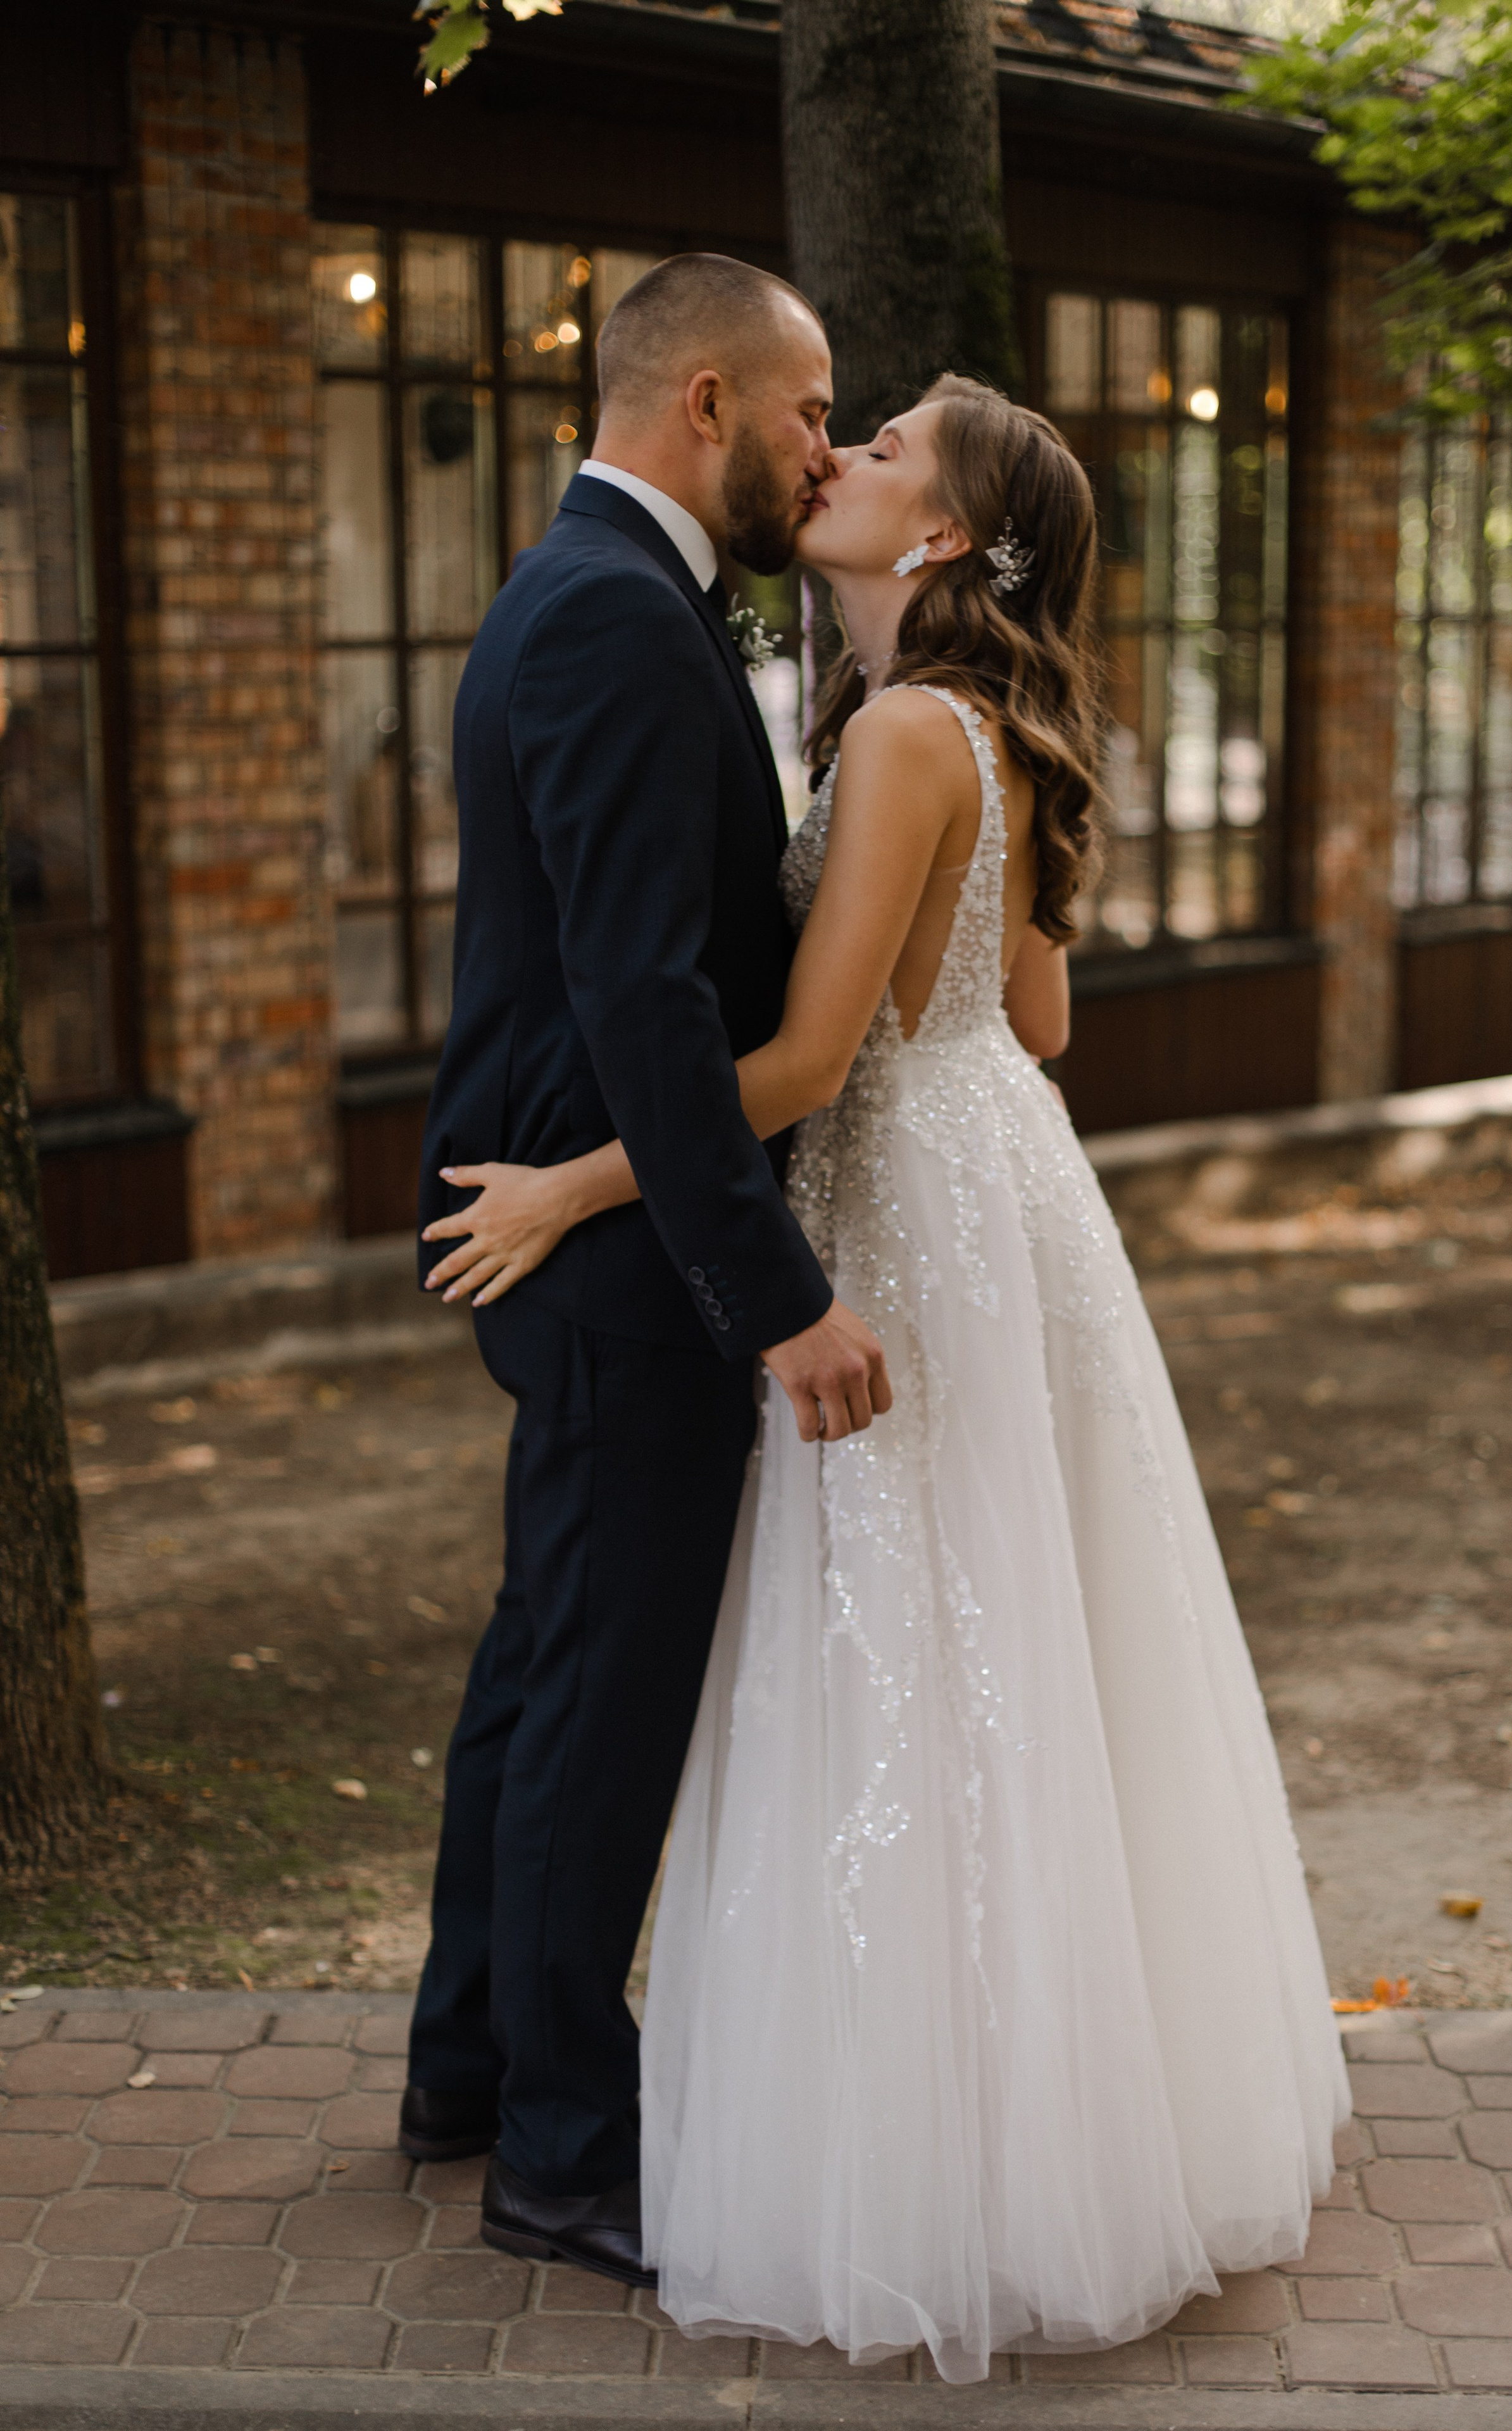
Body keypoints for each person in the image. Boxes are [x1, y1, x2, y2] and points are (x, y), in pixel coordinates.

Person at [423, 374, 1350, 2378]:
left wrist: (582, 1181)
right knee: (1001, 1643)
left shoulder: (911, 729)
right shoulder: (967, 726)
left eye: (892, 445)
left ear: (938, 544)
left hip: (894, 1202)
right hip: (998, 1192)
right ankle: (1018, 2105)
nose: (841, 455)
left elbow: (805, 1064)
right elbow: (1037, 1008)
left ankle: (922, 2137)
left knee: (911, 1651)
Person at [399, 254, 890, 2291]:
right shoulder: (611, 612)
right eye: (806, 408)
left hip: (589, 1246)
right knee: (599, 1698)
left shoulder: (598, 588)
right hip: (624, 1275)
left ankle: (469, 2069)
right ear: (705, 402)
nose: (819, 444)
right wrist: (773, 1292)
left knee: (544, 1666)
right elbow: (643, 1007)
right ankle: (562, 2153)